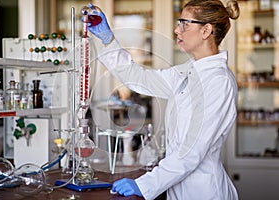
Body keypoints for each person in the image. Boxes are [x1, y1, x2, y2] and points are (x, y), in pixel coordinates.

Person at [86, 0, 240, 199]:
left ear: (206, 30)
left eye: (184, 23)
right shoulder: (186, 72)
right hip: (178, 188)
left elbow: (191, 151)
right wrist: (108, 40)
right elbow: (138, 78)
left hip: (204, 192)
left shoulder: (219, 82)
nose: (177, 30)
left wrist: (144, 184)